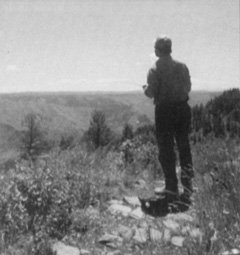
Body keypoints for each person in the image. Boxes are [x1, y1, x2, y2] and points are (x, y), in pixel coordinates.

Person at [143, 35, 194, 208]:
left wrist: (146, 90)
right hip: (182, 109)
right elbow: (188, 87)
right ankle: (188, 188)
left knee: (166, 149)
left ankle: (171, 188)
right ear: (170, 49)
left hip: (164, 111)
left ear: (157, 50)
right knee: (184, 147)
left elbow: (151, 92)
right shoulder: (182, 66)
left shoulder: (155, 69)